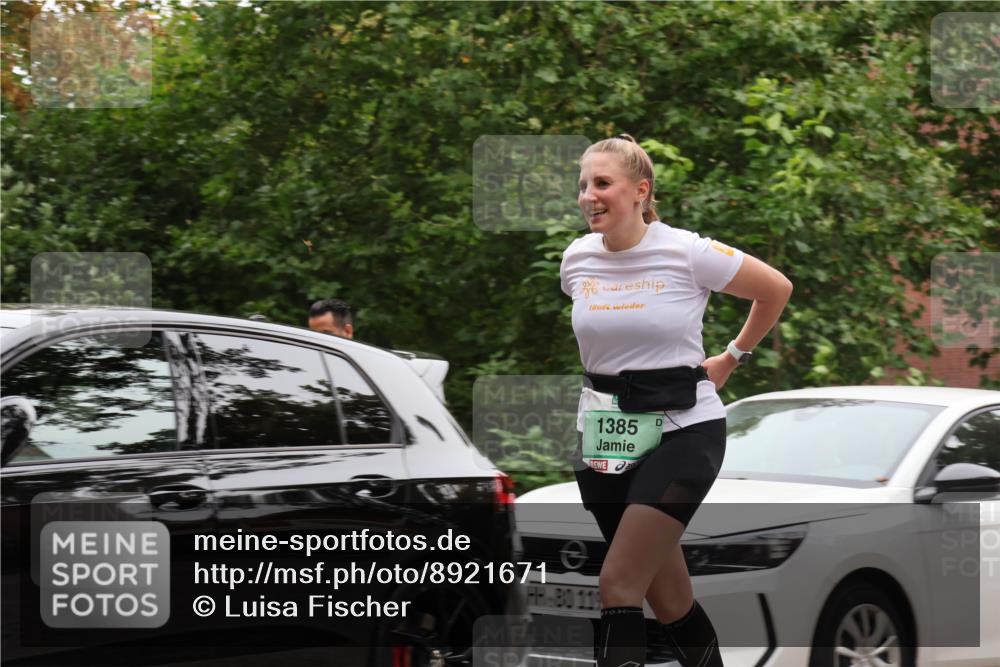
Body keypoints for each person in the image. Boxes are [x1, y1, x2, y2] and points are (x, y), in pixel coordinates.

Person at [559, 134, 792, 667]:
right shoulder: (577, 259)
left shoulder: (687, 250)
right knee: (669, 600)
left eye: (602, 183)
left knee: (618, 583)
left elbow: (775, 288)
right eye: (583, 185)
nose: (588, 196)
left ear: (640, 191)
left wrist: (731, 356)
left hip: (683, 431)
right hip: (605, 437)